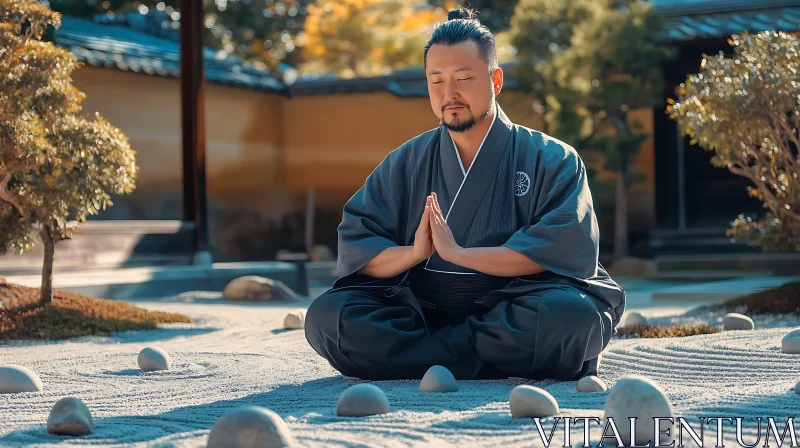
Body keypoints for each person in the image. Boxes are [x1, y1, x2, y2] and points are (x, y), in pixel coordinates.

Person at [304, 7, 626, 381]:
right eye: (436, 80)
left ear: (496, 79)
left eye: (464, 77)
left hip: (517, 303)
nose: (449, 93)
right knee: (329, 318)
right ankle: (482, 355)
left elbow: (565, 246)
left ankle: (428, 358)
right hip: (425, 311)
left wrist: (460, 254)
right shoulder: (406, 161)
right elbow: (357, 245)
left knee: (572, 317)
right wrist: (413, 253)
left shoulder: (551, 158)